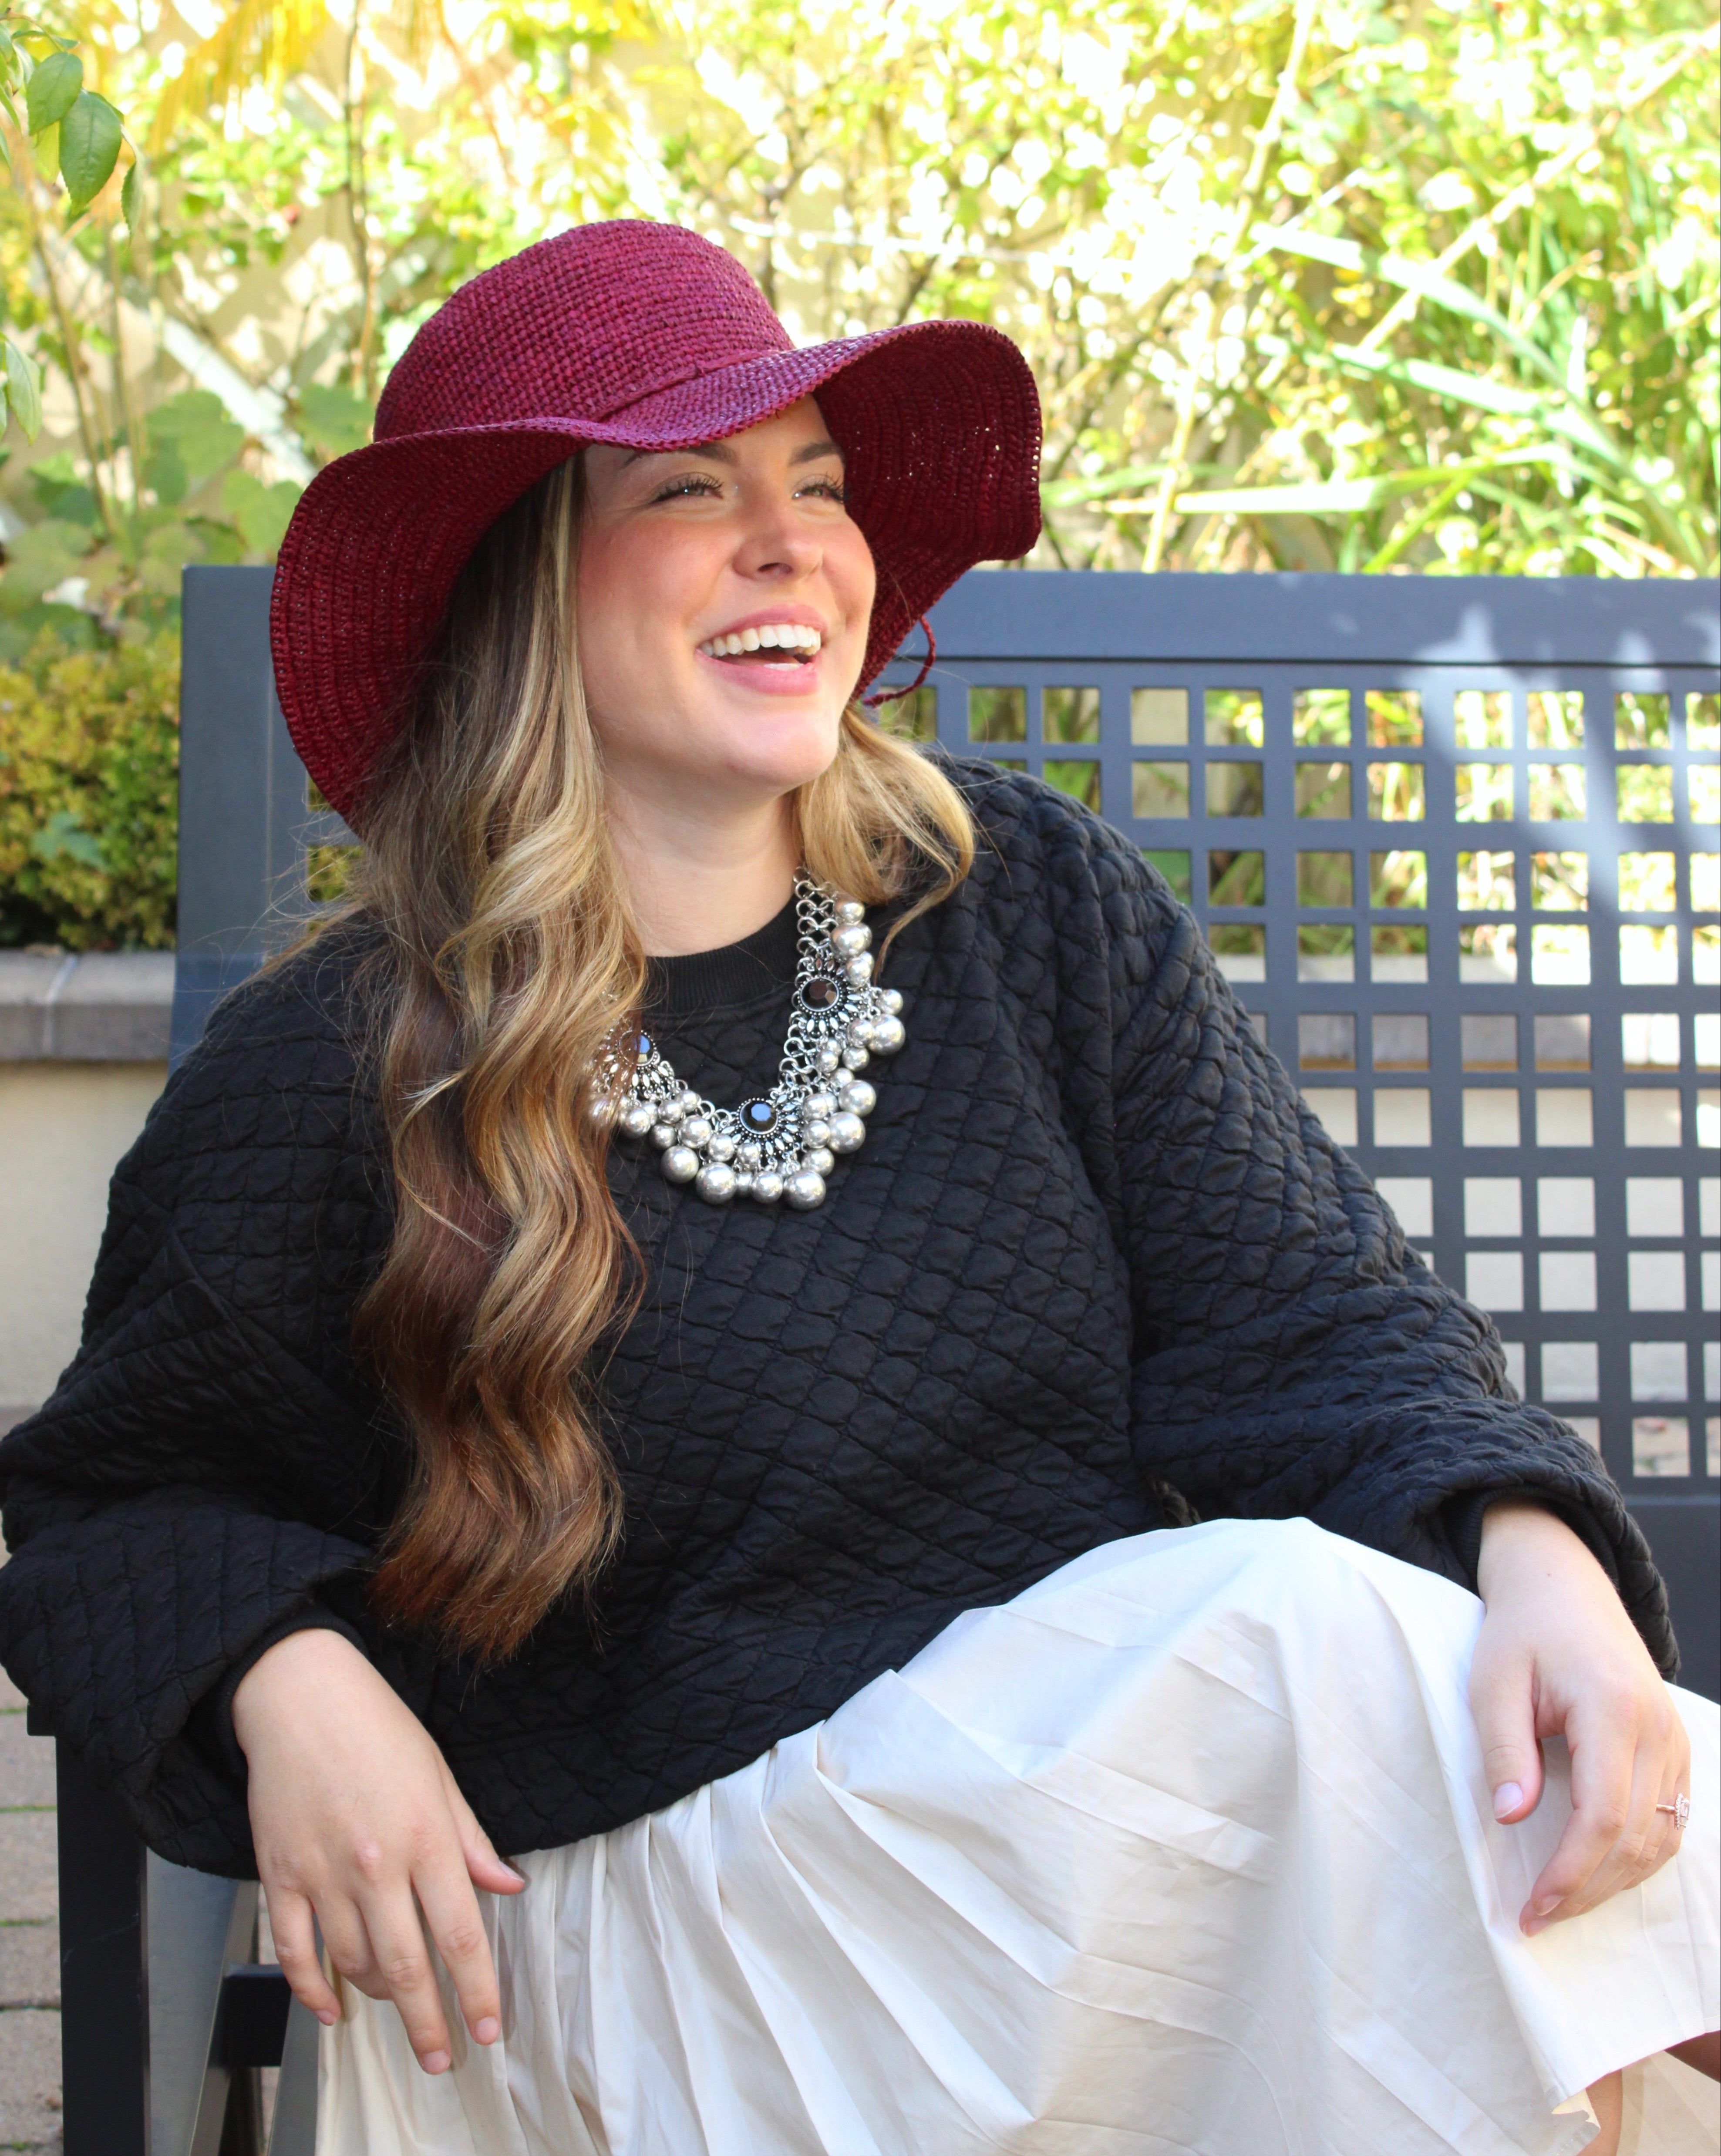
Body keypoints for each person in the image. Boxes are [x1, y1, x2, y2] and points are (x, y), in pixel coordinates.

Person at [0, 221, 1714, 2156]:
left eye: (818, 488)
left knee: (1417, 1685)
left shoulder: (1021, 909)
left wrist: (1530, 1551)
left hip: (1094, 1871)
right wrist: (292, 1684)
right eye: (690, 492)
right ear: (519, 589)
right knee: (1308, 1648)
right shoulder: (355, 1060)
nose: (791, 544)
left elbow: (1304, 1313)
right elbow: (105, 1501)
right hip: (663, 1944)